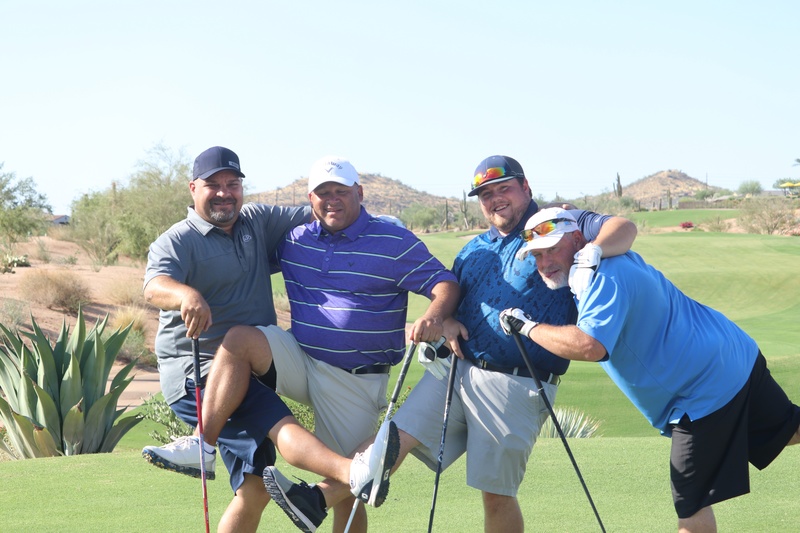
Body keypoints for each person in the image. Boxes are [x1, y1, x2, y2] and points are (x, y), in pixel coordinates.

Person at [265, 155, 638, 532]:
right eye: (486, 195)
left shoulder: (556, 226)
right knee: (389, 442)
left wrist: (590, 254)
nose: (495, 199)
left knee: (496, 495)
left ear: (526, 188)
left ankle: (317, 500)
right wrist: (445, 320)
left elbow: (623, 228)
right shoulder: (475, 249)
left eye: (504, 189)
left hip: (517, 380)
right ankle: (315, 501)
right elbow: (451, 297)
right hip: (456, 372)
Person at [140, 146, 398, 533]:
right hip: (201, 375)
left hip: (252, 366)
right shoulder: (176, 240)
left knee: (255, 489)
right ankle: (355, 473)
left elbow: (324, 210)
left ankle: (204, 448)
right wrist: (185, 295)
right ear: (193, 189)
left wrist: (383, 225)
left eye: (232, 184)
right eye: (213, 185)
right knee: (283, 427)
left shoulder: (257, 221)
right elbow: (154, 286)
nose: (224, 193)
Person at [499, 207, 800, 533]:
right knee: (789, 430)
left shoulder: (602, 278)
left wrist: (526, 327)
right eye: (537, 255)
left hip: (700, 394)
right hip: (735, 355)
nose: (544, 263)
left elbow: (590, 346)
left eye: (552, 250)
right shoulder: (607, 260)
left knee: (691, 505)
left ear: (576, 240)